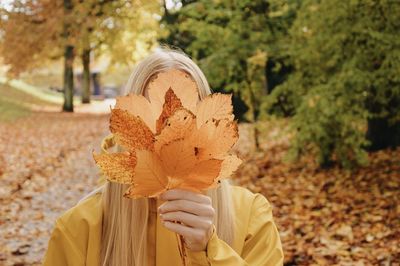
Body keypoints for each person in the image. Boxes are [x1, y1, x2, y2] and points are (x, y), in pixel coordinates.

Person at [43, 48, 284, 266]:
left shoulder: (251, 216)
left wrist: (209, 251)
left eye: (185, 118)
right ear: (129, 128)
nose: (170, 137)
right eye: (156, 122)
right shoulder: (79, 228)